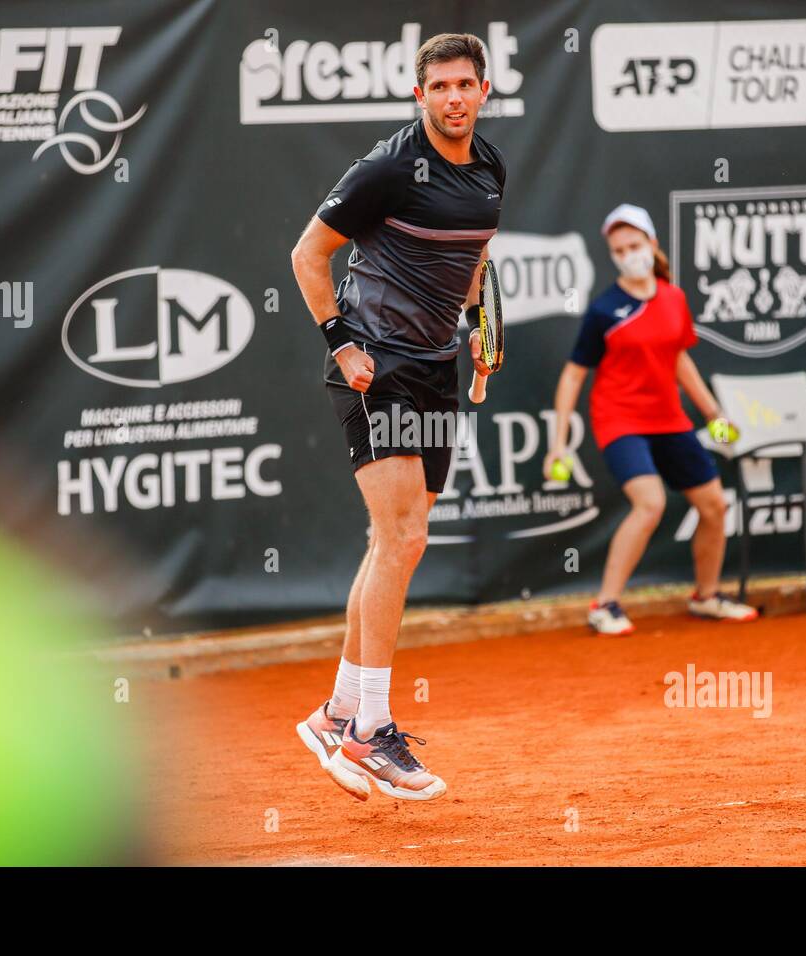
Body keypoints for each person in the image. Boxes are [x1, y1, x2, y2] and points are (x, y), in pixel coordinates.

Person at [288, 33, 504, 801]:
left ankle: (337, 711)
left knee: (398, 543)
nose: (452, 97)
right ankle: (371, 731)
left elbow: (474, 257)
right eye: (438, 85)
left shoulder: (488, 170)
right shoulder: (385, 170)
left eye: (464, 84)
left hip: (436, 368)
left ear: (485, 90)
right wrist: (342, 345)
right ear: (420, 96)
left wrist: (476, 323)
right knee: (404, 535)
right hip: (374, 366)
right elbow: (307, 255)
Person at [544, 204, 758, 635]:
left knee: (715, 505)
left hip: (670, 417)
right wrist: (558, 443)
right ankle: (605, 604)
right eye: (619, 249)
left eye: (634, 245)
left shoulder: (674, 298)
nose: (627, 254)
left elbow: (679, 359)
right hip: (620, 419)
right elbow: (572, 375)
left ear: (652, 244)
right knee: (651, 503)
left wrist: (713, 414)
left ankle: (706, 595)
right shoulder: (605, 310)